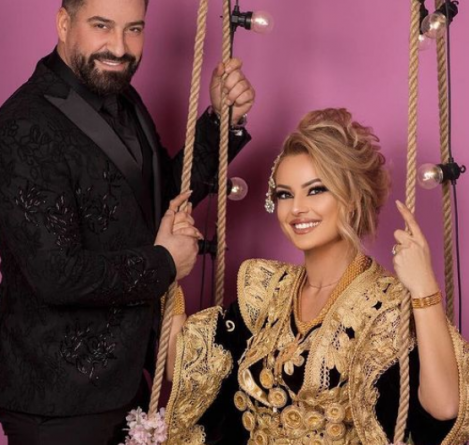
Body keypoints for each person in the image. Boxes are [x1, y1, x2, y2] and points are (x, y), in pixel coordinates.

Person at [0, 0, 255, 443]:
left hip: (126, 383)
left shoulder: (124, 97)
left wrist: (221, 120)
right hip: (57, 402)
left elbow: (158, 202)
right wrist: (164, 263)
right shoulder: (21, 124)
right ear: (64, 23)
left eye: (133, 29)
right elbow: (57, 274)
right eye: (102, 26)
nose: (119, 47)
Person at [164, 108, 469, 445]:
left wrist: (424, 286)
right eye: (284, 194)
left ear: (351, 198)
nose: (296, 209)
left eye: (315, 190)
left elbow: (444, 407)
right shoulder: (266, 290)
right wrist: (169, 267)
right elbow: (183, 367)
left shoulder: (388, 306)